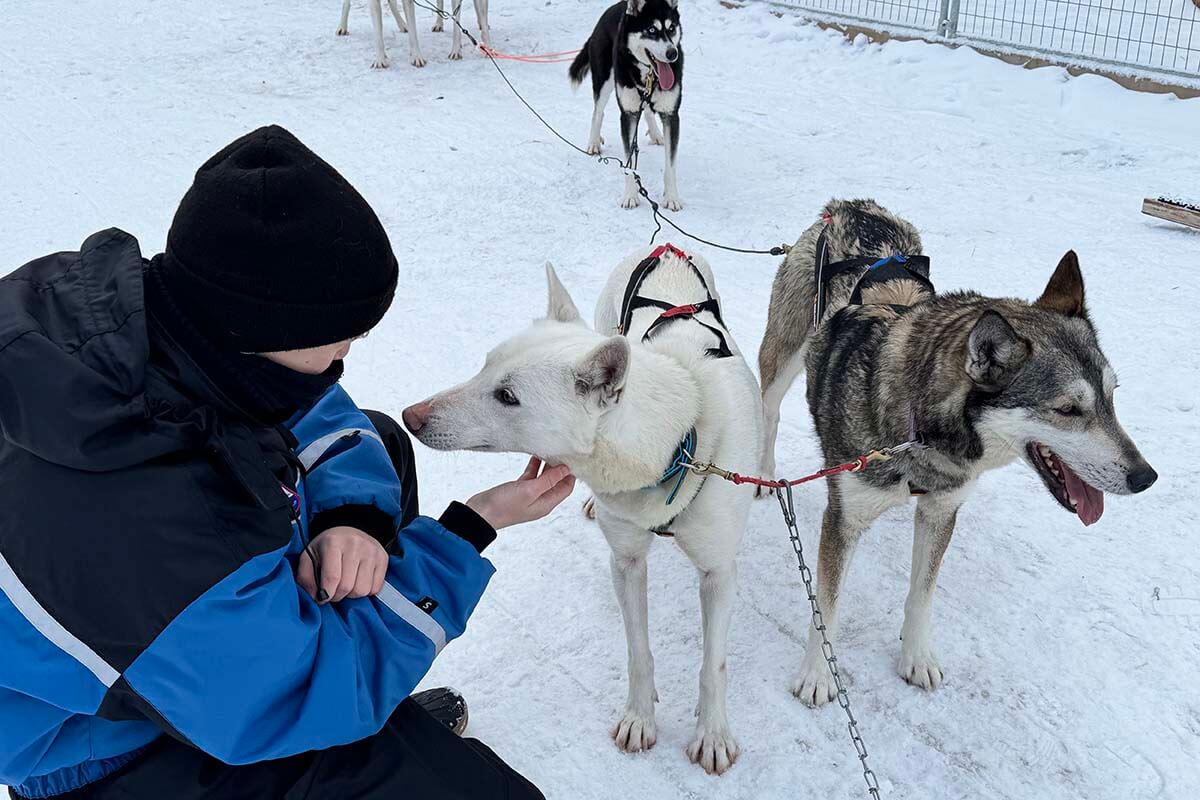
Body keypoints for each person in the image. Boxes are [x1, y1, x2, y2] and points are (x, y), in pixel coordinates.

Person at [0, 125, 575, 799]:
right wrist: (466, 533)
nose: (343, 362)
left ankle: (357, 697)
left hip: (189, 658)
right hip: (111, 749)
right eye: (334, 343)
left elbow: (316, 414)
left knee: (376, 447)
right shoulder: (154, 531)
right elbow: (293, 690)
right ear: (254, 332)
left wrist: (353, 519)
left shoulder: (159, 324)